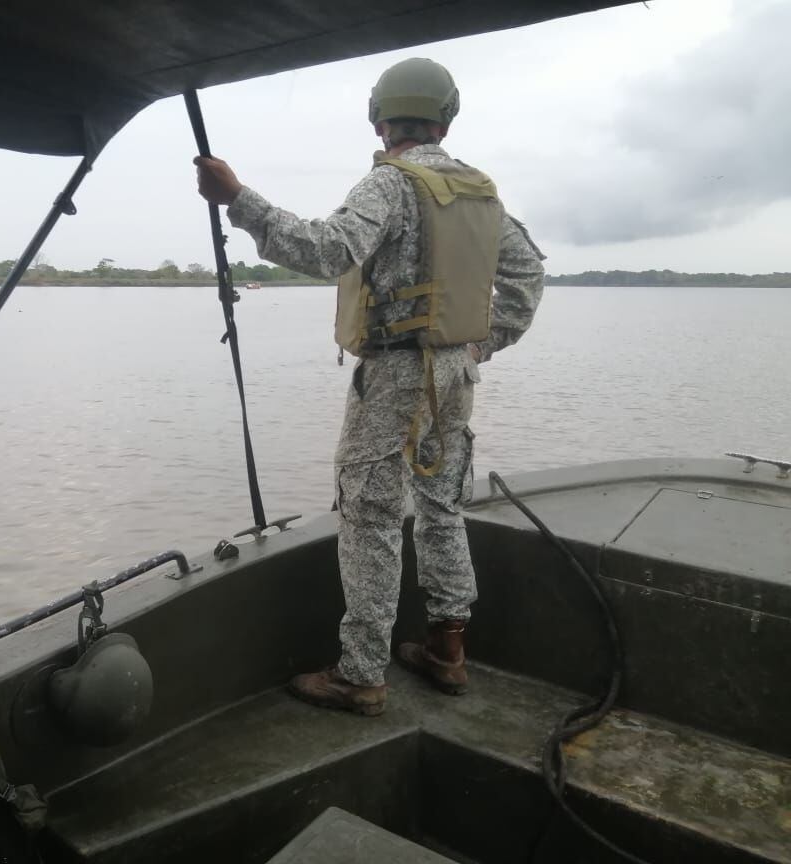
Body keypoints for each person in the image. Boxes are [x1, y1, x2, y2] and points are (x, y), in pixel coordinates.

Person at [194, 58, 545, 716]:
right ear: (446, 118)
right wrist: (480, 345)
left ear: (381, 121)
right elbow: (527, 279)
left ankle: (360, 674)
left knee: (369, 519)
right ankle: (448, 649)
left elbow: (326, 251)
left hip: (393, 380)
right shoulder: (481, 192)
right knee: (442, 509)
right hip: (454, 377)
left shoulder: (389, 184)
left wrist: (238, 199)